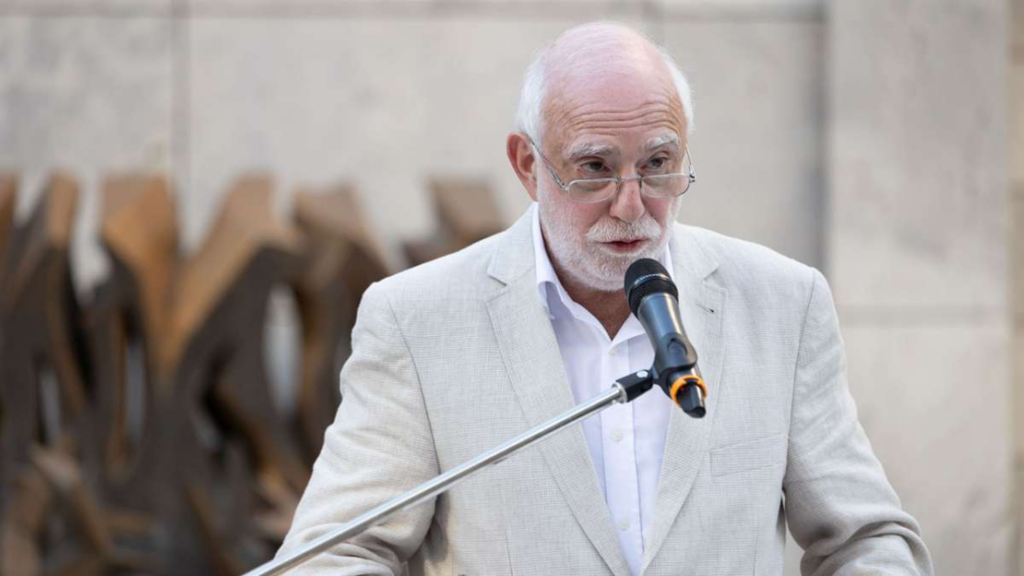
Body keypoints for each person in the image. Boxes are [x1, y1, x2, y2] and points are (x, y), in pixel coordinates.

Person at [277, 21, 933, 576]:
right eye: (594, 167)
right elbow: (334, 554)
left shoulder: (783, 303)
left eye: (658, 164)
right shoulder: (417, 320)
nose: (631, 205)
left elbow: (866, 539)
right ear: (528, 164)